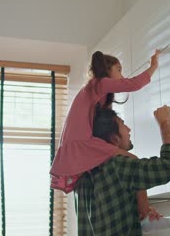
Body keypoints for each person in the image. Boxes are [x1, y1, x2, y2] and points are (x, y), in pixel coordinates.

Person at [49, 50, 162, 223]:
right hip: (85, 144)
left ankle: (142, 213)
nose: (121, 75)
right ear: (107, 71)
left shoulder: (96, 94)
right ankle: (145, 215)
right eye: (118, 69)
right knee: (133, 161)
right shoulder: (99, 84)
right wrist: (153, 66)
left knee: (122, 170)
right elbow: (133, 84)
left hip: (83, 143)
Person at [75, 105, 170, 235]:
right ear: (115, 139)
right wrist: (165, 122)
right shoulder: (116, 167)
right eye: (123, 124)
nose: (129, 129)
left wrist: (138, 213)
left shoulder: (82, 178)